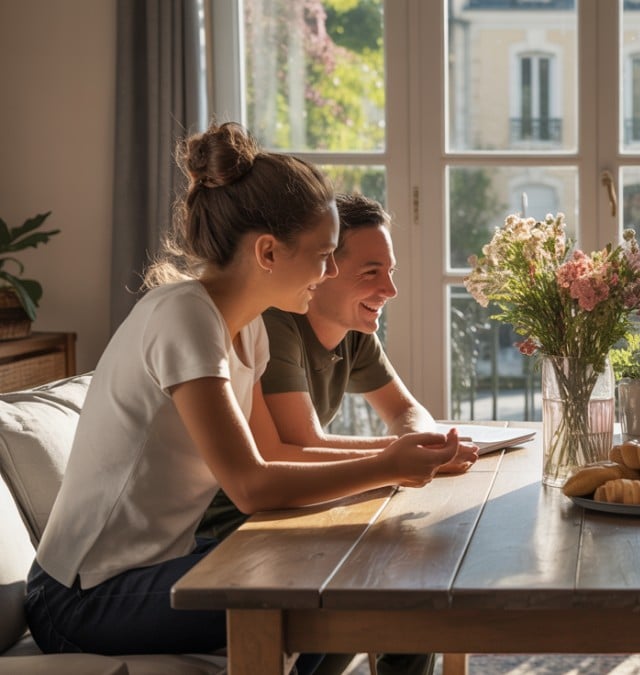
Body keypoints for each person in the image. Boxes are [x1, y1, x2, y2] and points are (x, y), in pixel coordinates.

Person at [24, 122, 462, 674]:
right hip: (78, 598)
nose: (330, 272)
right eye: (324, 255)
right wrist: (386, 465)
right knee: (319, 588)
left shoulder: (247, 328)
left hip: (160, 564)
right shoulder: (183, 316)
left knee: (351, 568)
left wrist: (395, 459)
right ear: (268, 252)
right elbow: (251, 487)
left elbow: (272, 455)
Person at [197, 192, 477, 675]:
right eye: (370, 272)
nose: (389, 290)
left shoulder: (355, 334)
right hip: (242, 526)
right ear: (322, 268)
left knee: (411, 582)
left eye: (391, 272)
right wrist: (401, 456)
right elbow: (301, 445)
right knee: (402, 590)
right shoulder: (274, 326)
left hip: (299, 509)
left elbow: (406, 410)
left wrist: (420, 442)